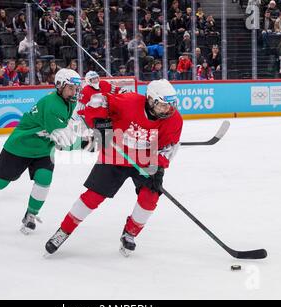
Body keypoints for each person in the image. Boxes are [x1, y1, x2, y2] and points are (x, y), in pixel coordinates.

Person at [44, 79, 183, 256]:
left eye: (170, 105)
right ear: (150, 99)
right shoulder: (130, 102)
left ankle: (130, 234)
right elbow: (97, 101)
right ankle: (63, 231)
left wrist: (158, 168)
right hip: (115, 155)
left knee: (150, 197)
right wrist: (98, 123)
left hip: (145, 160)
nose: (167, 110)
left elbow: (167, 147)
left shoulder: (174, 119)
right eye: (163, 105)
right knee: (93, 197)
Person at [0, 69, 83, 234]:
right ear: (59, 86)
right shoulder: (52, 104)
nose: (74, 92)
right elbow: (64, 141)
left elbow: (70, 120)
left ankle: (31, 215)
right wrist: (91, 141)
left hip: (43, 149)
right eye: (70, 88)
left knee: (44, 179)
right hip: (19, 147)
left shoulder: (69, 100)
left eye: (76, 88)